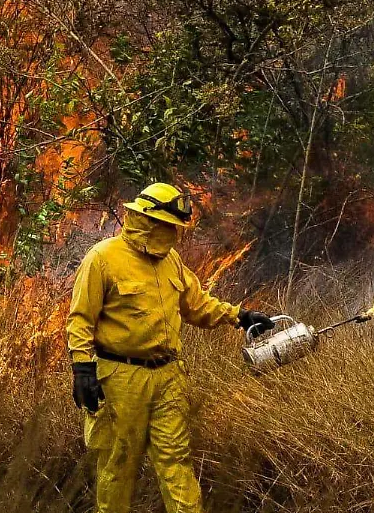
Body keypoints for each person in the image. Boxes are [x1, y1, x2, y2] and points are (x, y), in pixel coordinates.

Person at [66, 182, 275, 513]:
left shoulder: (171, 261)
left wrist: (240, 316)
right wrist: (82, 368)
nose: (172, 234)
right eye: (167, 226)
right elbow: (80, 318)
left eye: (174, 228)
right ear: (146, 220)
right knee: (118, 465)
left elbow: (197, 305)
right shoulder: (103, 258)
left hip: (168, 377)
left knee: (176, 462)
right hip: (121, 379)